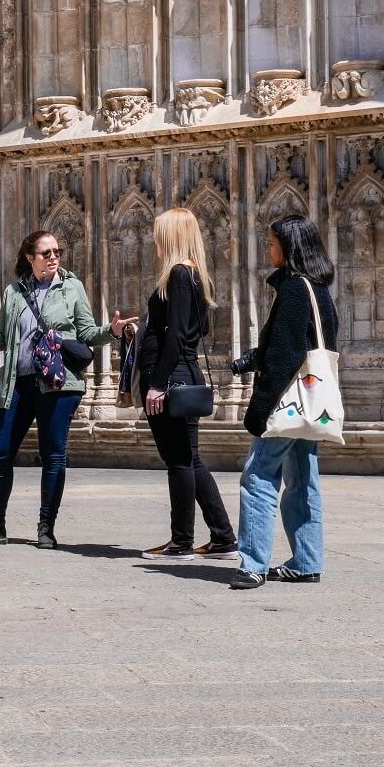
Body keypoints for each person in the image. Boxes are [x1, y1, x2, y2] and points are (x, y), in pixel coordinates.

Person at [0, 232, 135, 549]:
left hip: (58, 385)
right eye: (46, 252)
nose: (53, 257)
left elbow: (86, 333)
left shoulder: (72, 288)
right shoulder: (14, 293)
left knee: (53, 455)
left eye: (57, 251)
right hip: (18, 384)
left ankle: (46, 528)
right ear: (30, 257)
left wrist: (112, 331)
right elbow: (1, 338)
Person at [229, 214, 340, 590]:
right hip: (310, 403)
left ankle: (252, 564)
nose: (268, 246)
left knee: (259, 476)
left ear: (289, 247)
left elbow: (286, 355)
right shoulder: (319, 289)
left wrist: (259, 410)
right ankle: (307, 561)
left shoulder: (294, 289)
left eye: (272, 241)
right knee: (303, 479)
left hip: (286, 401)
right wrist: (252, 358)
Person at [136, 208, 237, 561]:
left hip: (173, 377)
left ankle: (180, 542)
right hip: (183, 373)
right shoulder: (194, 276)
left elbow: (178, 335)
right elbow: (196, 330)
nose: (154, 239)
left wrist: (157, 383)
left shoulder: (180, 274)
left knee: (178, 461)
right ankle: (223, 537)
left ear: (173, 235)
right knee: (189, 459)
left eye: (159, 232)